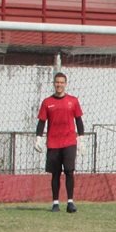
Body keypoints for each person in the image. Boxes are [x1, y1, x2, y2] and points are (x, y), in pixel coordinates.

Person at [34, 71, 84, 213]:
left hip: (69, 141)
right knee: (55, 173)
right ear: (54, 84)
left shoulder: (73, 101)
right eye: (57, 82)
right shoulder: (47, 102)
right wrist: (38, 138)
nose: (59, 85)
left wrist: (81, 139)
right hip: (53, 143)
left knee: (69, 171)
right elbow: (41, 122)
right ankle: (55, 203)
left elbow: (79, 121)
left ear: (65, 84)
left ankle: (70, 203)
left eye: (62, 82)